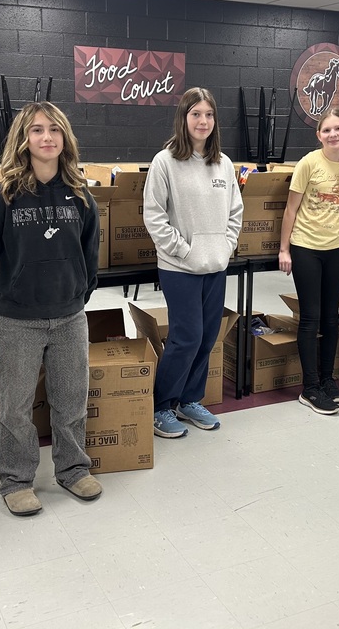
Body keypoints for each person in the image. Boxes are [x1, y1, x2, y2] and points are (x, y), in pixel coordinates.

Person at [0, 102, 102, 515]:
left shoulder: (80, 195)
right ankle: (15, 480)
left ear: (66, 138)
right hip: (17, 320)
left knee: (70, 399)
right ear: (23, 141)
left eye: (55, 130)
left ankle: (73, 468)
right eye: (38, 130)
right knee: (14, 406)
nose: (47, 138)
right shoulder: (2, 197)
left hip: (69, 316)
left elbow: (90, 252)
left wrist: (80, 296)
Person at [143, 87, 243, 438]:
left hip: (215, 265)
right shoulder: (164, 161)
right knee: (186, 336)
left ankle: (188, 400)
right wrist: (183, 251)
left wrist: (226, 247)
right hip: (180, 267)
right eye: (196, 114)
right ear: (183, 118)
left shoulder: (224, 164)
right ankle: (161, 406)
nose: (203, 121)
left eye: (209, 115)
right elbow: (154, 216)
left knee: (208, 336)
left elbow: (236, 212)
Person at [278, 108, 339, 415]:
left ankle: (327, 379)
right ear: (319, 135)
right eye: (327, 130)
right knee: (311, 318)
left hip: (337, 249)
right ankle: (310, 387)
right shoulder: (309, 163)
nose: (333, 134)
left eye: (338, 128)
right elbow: (290, 209)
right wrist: (284, 249)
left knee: (331, 318)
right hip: (306, 248)